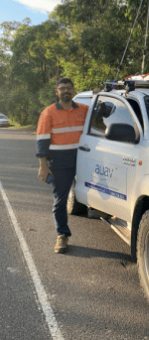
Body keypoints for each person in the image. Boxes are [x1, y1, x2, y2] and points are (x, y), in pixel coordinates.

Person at [36, 78, 89, 254]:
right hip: (59, 162)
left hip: (84, 159)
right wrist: (43, 166)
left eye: (69, 88)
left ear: (74, 91)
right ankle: (62, 236)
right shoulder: (49, 112)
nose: (66, 91)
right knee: (60, 200)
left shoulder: (84, 109)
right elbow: (42, 140)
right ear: (56, 92)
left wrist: (100, 96)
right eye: (62, 88)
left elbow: (103, 116)